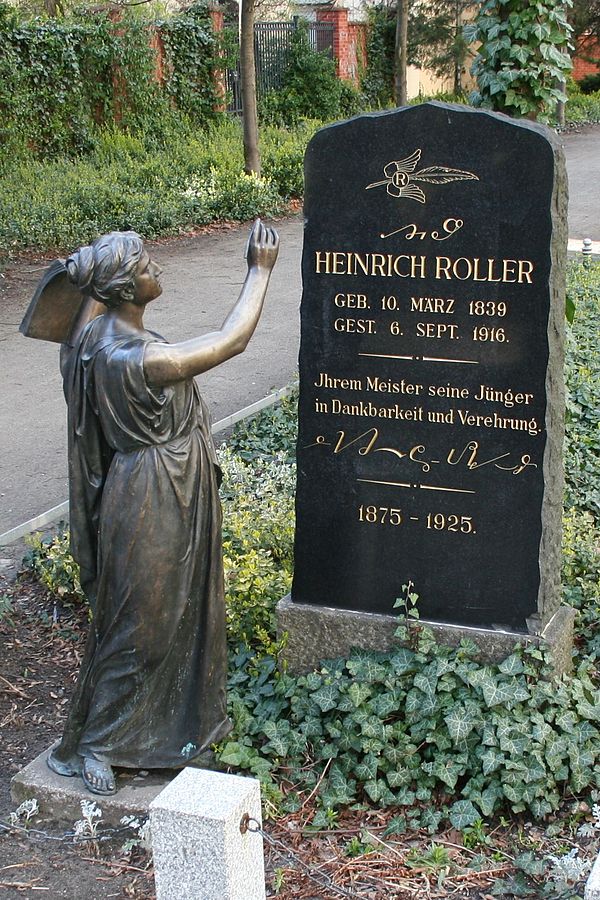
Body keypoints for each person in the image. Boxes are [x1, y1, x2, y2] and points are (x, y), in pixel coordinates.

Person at [43, 220, 279, 795]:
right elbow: (231, 341)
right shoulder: (129, 357)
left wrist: (84, 269)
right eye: (146, 266)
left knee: (179, 609)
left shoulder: (90, 335)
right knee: (142, 623)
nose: (158, 269)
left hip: (170, 480)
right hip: (151, 491)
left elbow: (62, 312)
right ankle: (100, 742)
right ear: (123, 289)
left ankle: (168, 734)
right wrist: (259, 271)